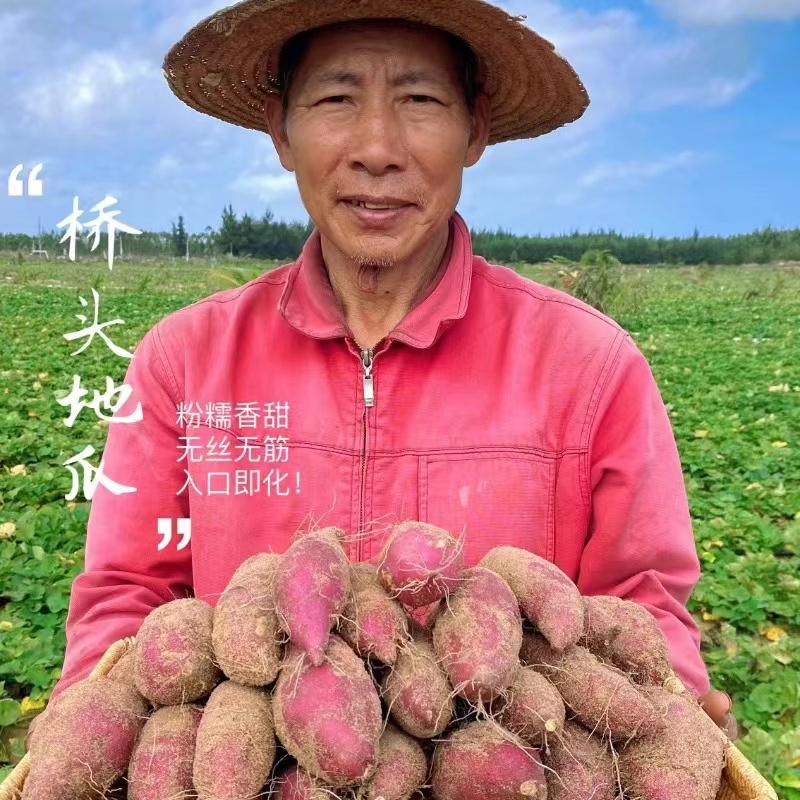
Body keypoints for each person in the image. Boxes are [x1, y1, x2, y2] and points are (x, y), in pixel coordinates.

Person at [48, 0, 736, 738]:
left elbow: (644, 602)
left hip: (511, 765)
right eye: (337, 99)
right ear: (281, 130)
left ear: (475, 128)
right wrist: (88, 726)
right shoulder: (183, 364)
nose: (377, 147)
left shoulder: (592, 367)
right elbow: (126, 595)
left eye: (419, 100)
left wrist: (668, 716)